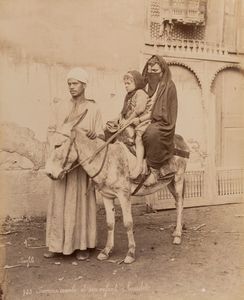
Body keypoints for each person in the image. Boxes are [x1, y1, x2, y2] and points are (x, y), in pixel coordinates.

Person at [45, 67, 104, 260]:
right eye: (69, 83)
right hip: (62, 163)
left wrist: (95, 136)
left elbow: (100, 137)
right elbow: (52, 133)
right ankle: (56, 245)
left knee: (81, 204)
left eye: (75, 83)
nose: (71, 87)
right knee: (59, 201)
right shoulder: (59, 106)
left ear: (84, 85)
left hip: (81, 168)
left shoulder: (94, 108)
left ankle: (82, 246)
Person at [106, 70, 150, 179]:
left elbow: (138, 110)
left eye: (128, 83)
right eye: (125, 83)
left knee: (138, 137)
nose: (126, 86)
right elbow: (123, 111)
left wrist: (127, 121)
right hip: (130, 121)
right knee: (109, 127)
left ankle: (139, 165)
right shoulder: (128, 96)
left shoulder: (140, 93)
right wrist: (118, 119)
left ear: (137, 82)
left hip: (142, 120)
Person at [142, 55, 178, 177]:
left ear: (162, 72)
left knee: (151, 133)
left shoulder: (169, 86)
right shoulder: (144, 84)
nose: (152, 74)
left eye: (155, 71)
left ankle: (154, 169)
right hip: (141, 117)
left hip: (161, 122)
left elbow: (166, 113)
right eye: (150, 71)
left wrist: (145, 118)